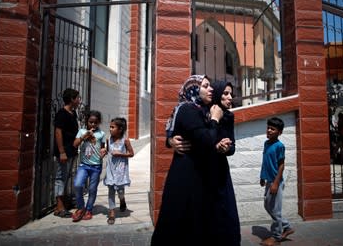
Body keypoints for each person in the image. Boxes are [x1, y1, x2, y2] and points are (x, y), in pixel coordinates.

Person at [151, 74, 223, 245]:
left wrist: (170, 141)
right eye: (205, 86)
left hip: (196, 174)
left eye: (210, 85)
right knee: (180, 222)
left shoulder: (200, 109)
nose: (211, 88)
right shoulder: (189, 110)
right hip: (187, 177)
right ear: (193, 89)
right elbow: (206, 140)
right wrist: (215, 120)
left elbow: (176, 132)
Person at [209, 80, 241, 245]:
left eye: (231, 94)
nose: (230, 98)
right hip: (203, 169)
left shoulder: (229, 116)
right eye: (226, 93)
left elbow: (233, 147)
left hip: (220, 169)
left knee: (226, 211)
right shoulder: (206, 113)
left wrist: (225, 148)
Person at [260, 117, 294, 246]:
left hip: (276, 182)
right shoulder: (266, 143)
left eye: (272, 129)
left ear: (280, 132)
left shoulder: (280, 146)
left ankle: (276, 237)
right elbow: (265, 162)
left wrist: (275, 183)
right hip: (268, 180)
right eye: (268, 127)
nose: (269, 130)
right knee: (267, 206)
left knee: (275, 210)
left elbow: (281, 165)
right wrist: (262, 177)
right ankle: (286, 227)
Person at [71, 110, 107, 222]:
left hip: (96, 166)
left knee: (92, 189)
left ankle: (89, 209)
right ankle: (80, 208)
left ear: (99, 122)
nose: (93, 125)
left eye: (95, 122)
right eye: (90, 122)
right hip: (84, 165)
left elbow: (102, 147)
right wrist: (84, 136)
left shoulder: (101, 134)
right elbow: (75, 144)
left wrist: (103, 151)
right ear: (87, 122)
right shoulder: (82, 131)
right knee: (77, 184)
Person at [53, 88, 81, 218]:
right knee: (60, 177)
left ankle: (64, 203)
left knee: (68, 177)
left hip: (72, 151)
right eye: (77, 98)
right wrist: (61, 152)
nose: (79, 101)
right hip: (64, 152)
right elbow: (58, 132)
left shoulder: (73, 113)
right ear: (71, 99)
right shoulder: (62, 114)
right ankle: (59, 206)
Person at [103, 117, 135, 225]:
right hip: (111, 169)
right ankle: (112, 213)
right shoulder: (108, 139)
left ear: (120, 129)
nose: (110, 129)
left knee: (120, 191)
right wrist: (104, 152)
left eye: (113, 127)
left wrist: (120, 154)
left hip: (121, 171)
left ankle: (122, 200)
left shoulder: (125, 140)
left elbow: (131, 153)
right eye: (110, 127)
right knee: (111, 190)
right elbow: (108, 150)